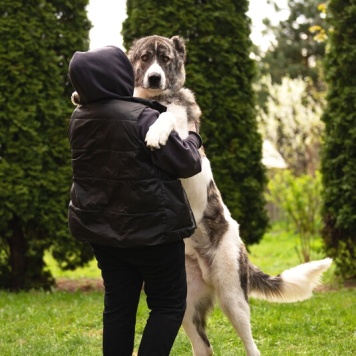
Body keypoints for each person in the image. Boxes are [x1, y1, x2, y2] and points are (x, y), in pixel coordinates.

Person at [67, 46, 202, 356]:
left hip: (104, 233)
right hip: (154, 233)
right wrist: (193, 136)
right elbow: (187, 163)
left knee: (119, 307)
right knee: (168, 305)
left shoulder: (79, 117)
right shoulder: (144, 118)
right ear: (117, 76)